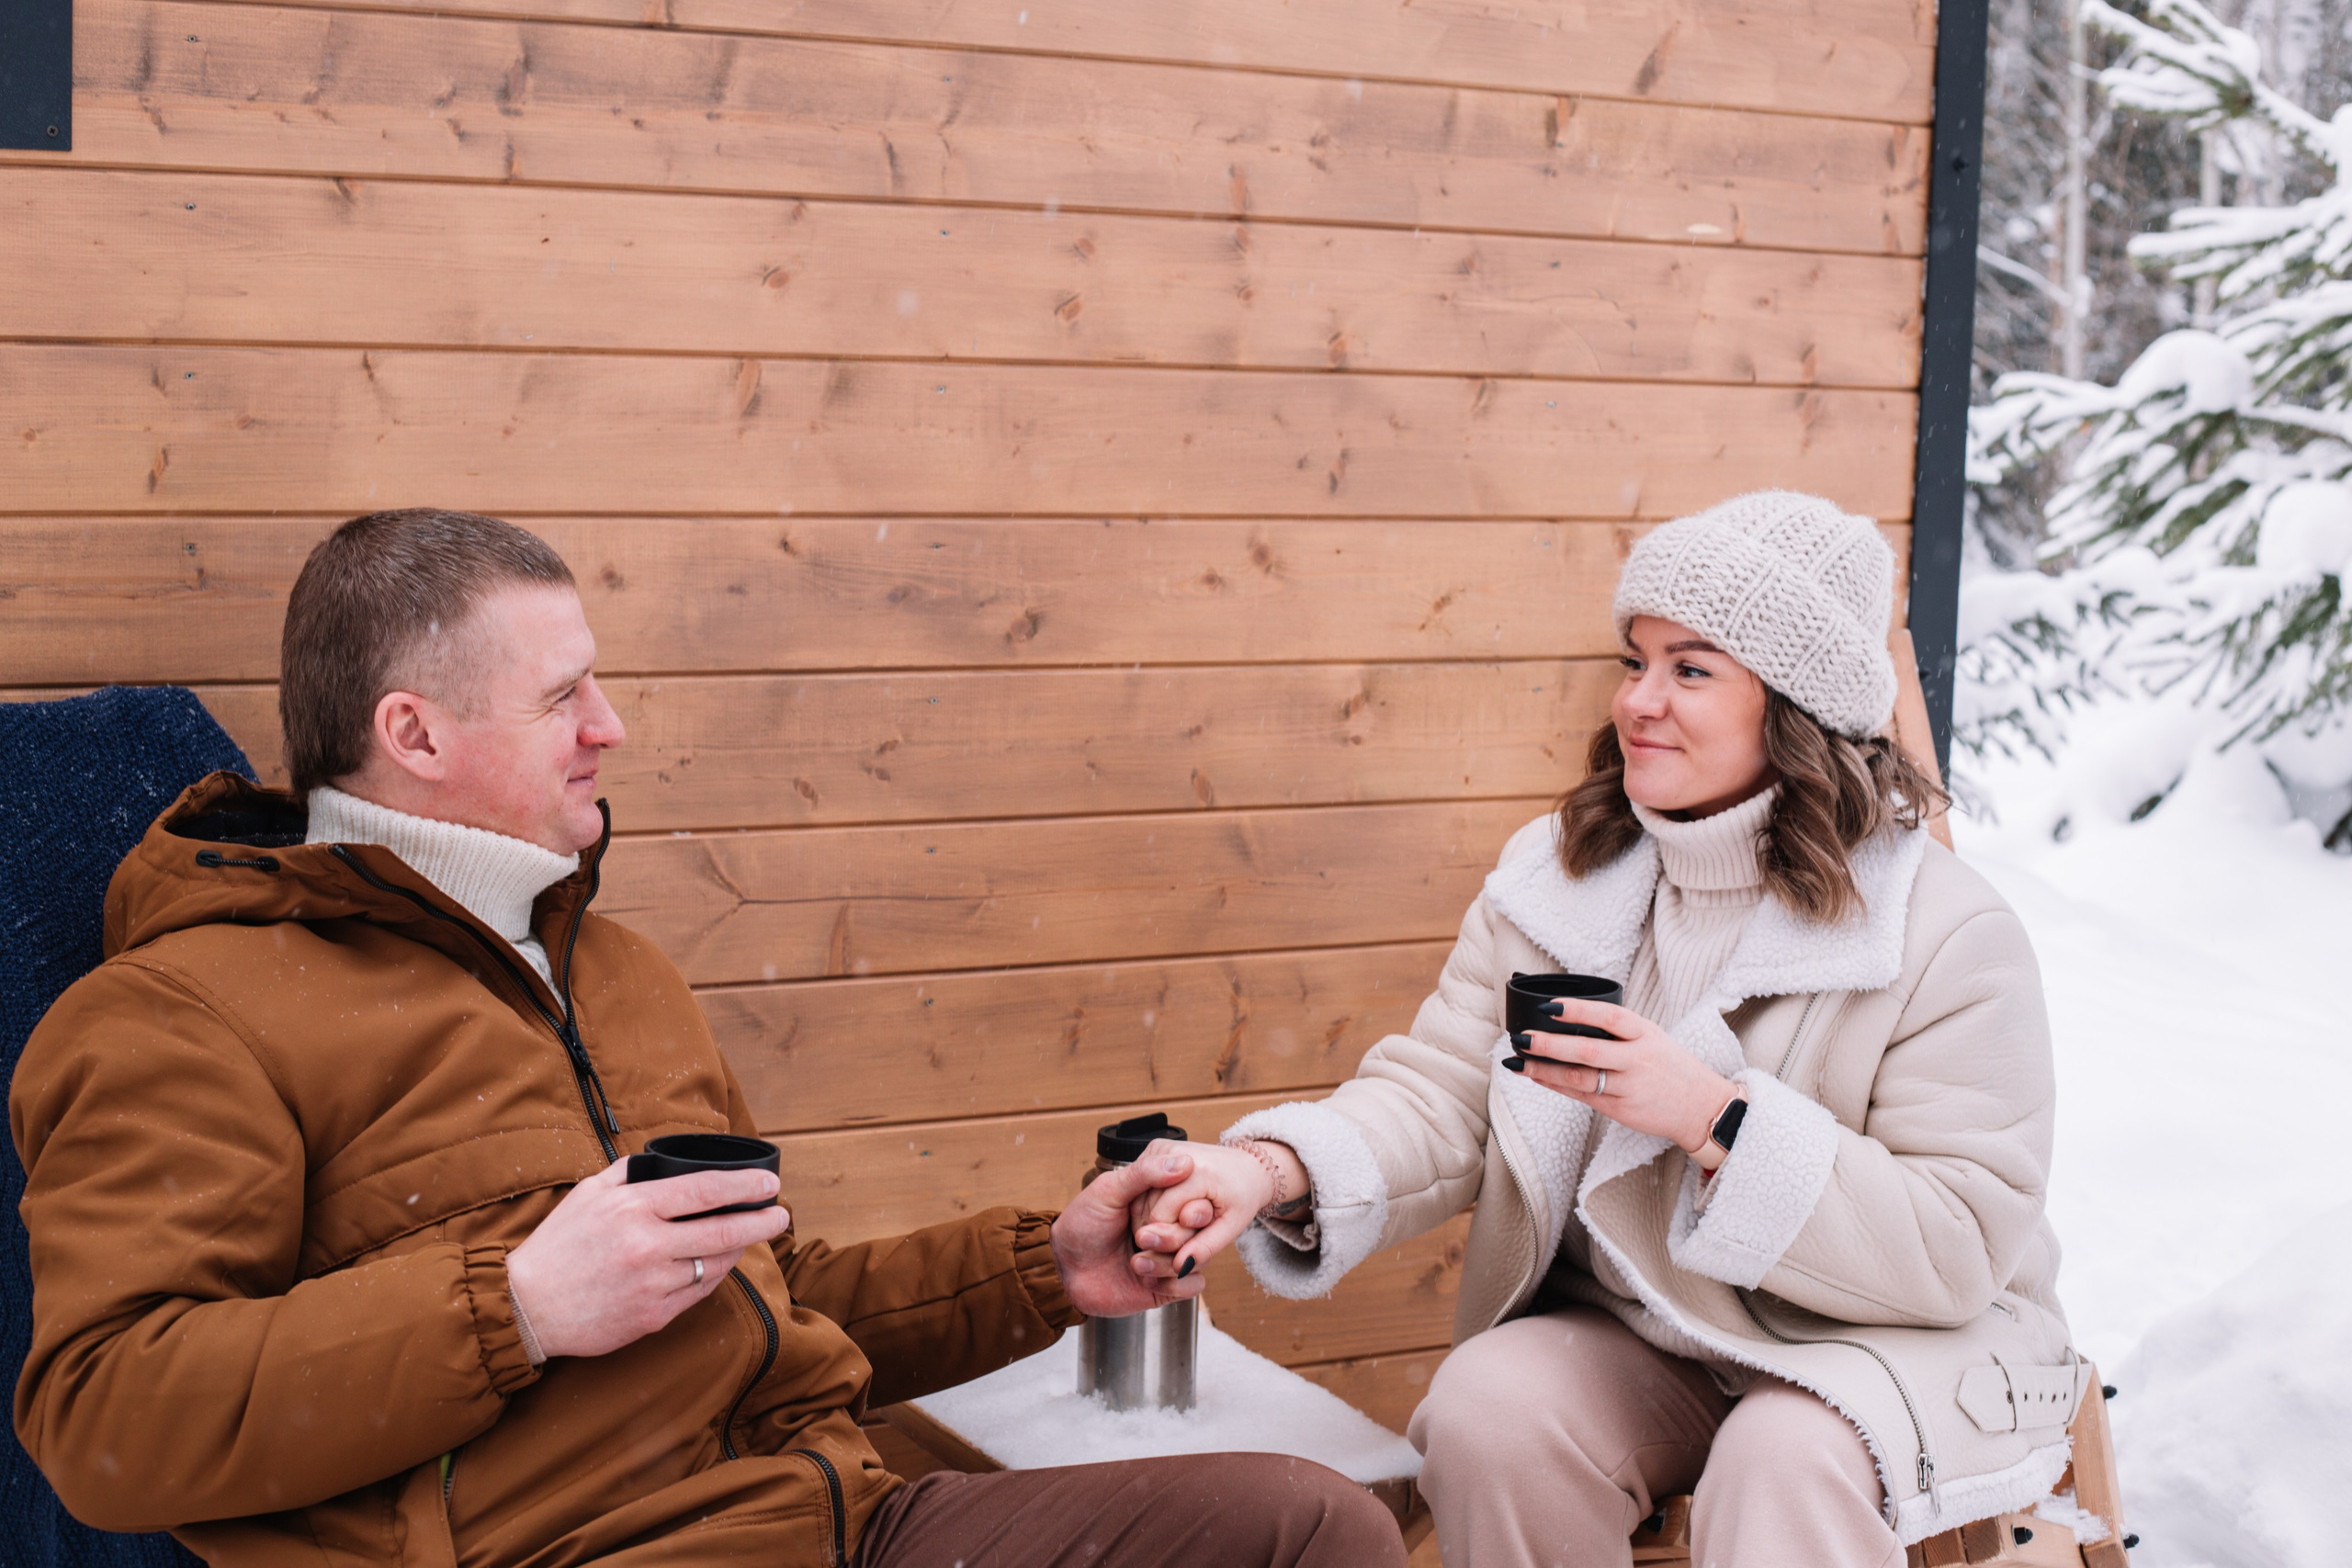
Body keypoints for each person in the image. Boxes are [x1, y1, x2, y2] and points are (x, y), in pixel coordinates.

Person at [10, 509, 1405, 1568]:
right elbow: (103, 1420)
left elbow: (773, 1297)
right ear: (414, 734)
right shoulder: (181, 1011)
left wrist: (1048, 1270)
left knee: (1307, 1525)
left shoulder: (616, 975)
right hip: (571, 1552)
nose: (609, 728)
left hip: (836, 1518)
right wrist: (521, 1305)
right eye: (563, 697)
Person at [1128, 492, 2084, 1568]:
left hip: (1892, 1343)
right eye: (1635, 661)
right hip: (1654, 1334)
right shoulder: (1558, 882)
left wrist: (1716, 1120)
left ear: (1797, 705)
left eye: (1690, 669)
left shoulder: (1943, 932)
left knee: (1781, 1455)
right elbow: (1442, 1095)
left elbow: (1957, 1244)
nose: (1638, 700)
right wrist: (1269, 1169)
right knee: (1491, 1412)